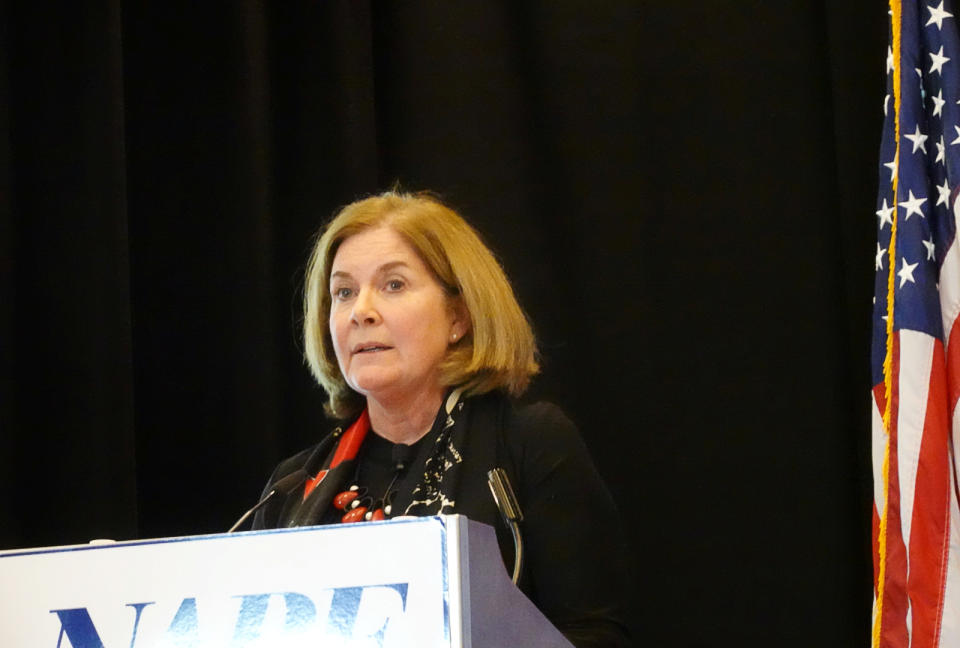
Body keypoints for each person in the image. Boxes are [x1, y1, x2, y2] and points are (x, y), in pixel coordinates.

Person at [253, 191, 632, 647]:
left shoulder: (529, 444)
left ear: (459, 315)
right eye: (344, 292)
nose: (361, 312)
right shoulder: (294, 486)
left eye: (393, 285)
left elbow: (594, 635)